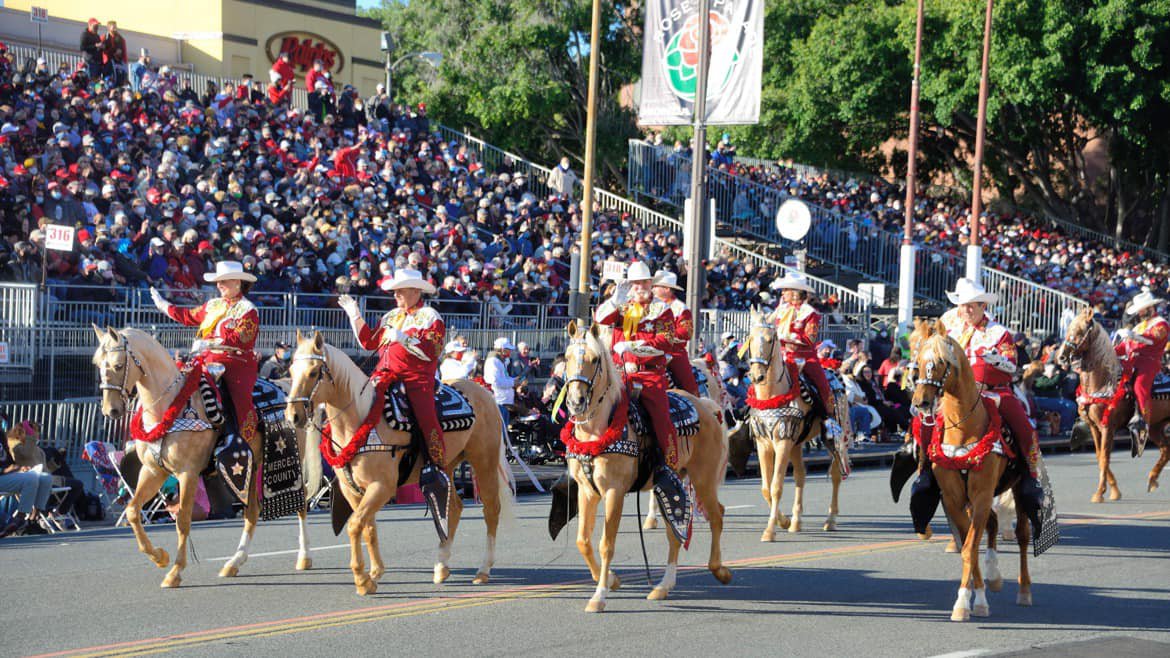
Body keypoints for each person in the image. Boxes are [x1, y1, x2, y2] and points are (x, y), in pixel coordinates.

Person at [337, 269, 451, 527]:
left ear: (415, 291)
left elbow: (431, 350)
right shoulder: (390, 315)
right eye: (395, 291)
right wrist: (355, 315)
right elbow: (369, 342)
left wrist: (403, 338)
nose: (396, 295)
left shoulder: (430, 316)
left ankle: (436, 465)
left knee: (425, 416)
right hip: (383, 374)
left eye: (401, 290)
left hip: (415, 378)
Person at [932, 278, 1044, 512]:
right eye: (963, 305)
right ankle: (924, 471)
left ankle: (1031, 475)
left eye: (973, 304)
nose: (967, 309)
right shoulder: (950, 329)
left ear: (984, 305)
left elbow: (1013, 367)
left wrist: (998, 361)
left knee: (1025, 428)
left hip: (994, 393)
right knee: (922, 424)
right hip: (955, 395)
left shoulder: (998, 332)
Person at [150, 261, 261, 488]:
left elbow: (242, 337)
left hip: (234, 362)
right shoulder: (213, 305)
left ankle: (236, 438)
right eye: (218, 281)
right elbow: (189, 315)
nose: (219, 285)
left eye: (224, 281)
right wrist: (164, 306)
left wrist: (212, 341)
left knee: (237, 397)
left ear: (238, 282)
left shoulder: (248, 309)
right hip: (205, 358)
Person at [593, 261, 680, 472]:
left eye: (643, 282)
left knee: (661, 418)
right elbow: (600, 318)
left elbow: (667, 340)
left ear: (651, 283)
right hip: (618, 375)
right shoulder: (622, 306)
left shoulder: (662, 309)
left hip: (648, 374)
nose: (639, 286)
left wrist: (636, 345)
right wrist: (615, 299)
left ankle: (668, 466)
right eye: (635, 283)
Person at [767, 273, 842, 438]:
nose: (783, 293)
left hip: (804, 356)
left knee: (822, 384)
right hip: (781, 355)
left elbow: (810, 338)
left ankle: (828, 419)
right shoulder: (780, 310)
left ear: (795, 292)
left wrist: (787, 337)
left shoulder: (810, 313)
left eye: (785, 290)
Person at [1116, 291, 1168, 437]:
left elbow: (1153, 339)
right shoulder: (1139, 326)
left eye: (1141, 309)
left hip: (1149, 363)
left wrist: (1135, 336)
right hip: (1131, 362)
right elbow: (1124, 345)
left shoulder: (1161, 323)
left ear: (1150, 307)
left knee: (1140, 387)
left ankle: (1143, 422)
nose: (1139, 312)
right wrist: (1110, 350)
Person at [0, 416, 54, 538]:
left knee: (46, 478)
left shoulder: (1, 435)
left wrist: (18, 467)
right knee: (31, 479)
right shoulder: (14, 441)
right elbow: (25, 454)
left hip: (6, 475)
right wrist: (5, 470)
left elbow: (8, 461)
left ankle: (32, 519)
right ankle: (19, 519)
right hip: (2, 475)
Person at [653, 270, 699, 396]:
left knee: (687, 381)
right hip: (651, 348)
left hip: (673, 351)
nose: (653, 289)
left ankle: (697, 405)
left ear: (667, 289)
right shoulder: (649, 305)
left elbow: (686, 332)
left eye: (656, 286)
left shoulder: (680, 308)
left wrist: (665, 336)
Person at [485, 337, 517, 427]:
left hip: (504, 401)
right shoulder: (493, 361)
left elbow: (504, 378)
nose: (510, 352)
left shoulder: (500, 361)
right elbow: (495, 381)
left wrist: (514, 380)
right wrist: (513, 383)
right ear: (503, 350)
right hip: (499, 401)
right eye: (509, 350)